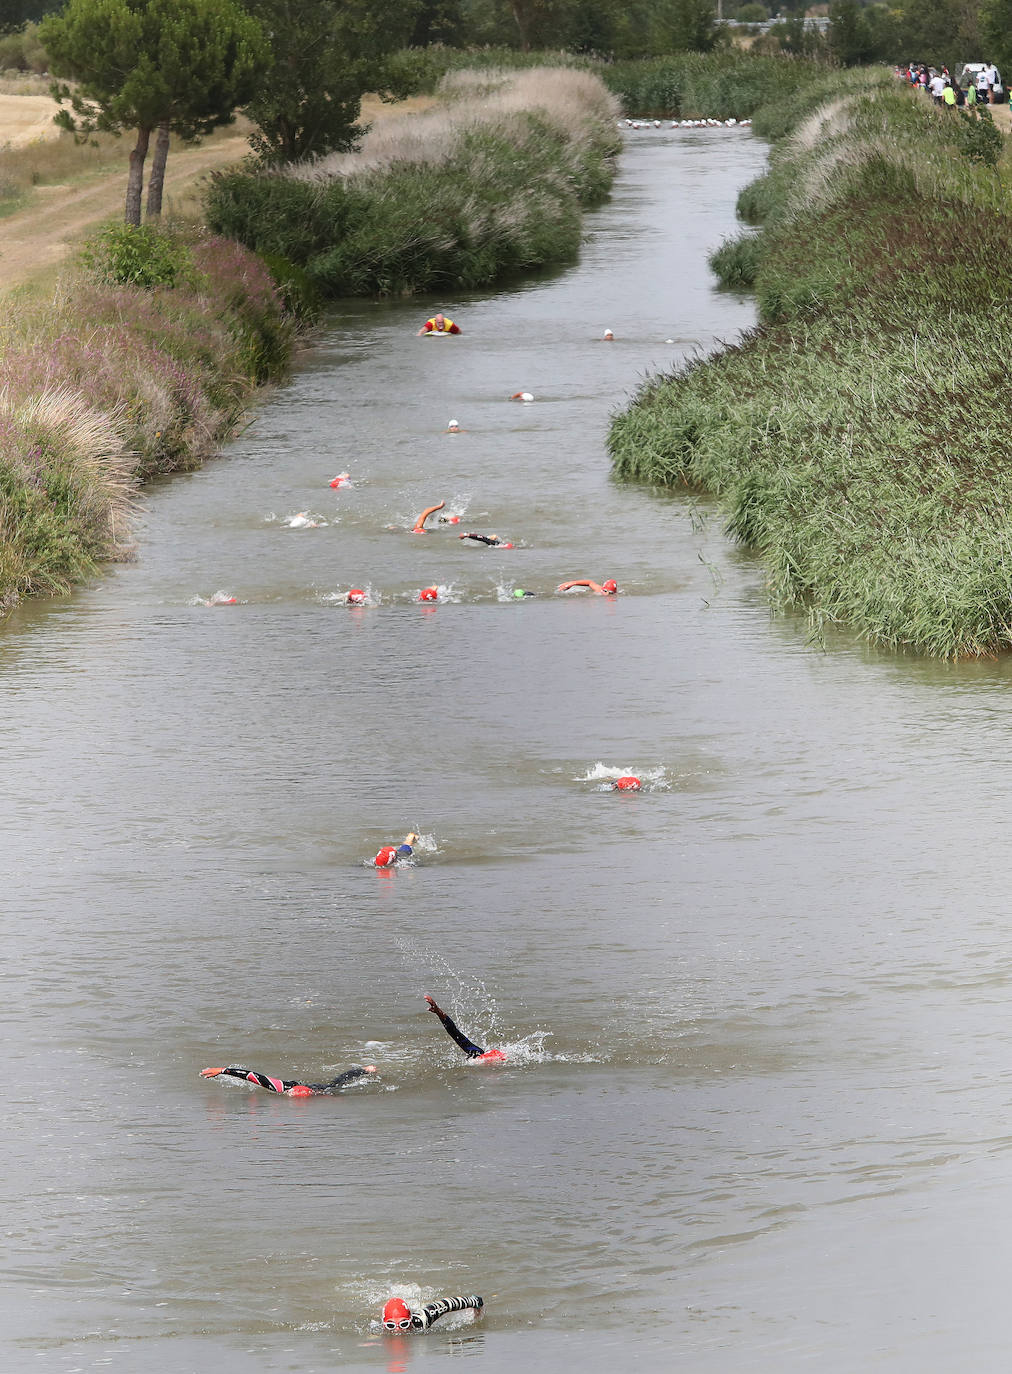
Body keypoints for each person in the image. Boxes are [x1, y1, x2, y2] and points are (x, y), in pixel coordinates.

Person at [200, 1063, 376, 1097]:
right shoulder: (283, 1088)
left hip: (320, 1089)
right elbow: (252, 1076)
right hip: (299, 1086)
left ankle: (363, 1070)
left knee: (337, 1084)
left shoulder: (322, 1093)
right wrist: (223, 1070)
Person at [425, 995, 506, 1062]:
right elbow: (455, 1034)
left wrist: (438, 1012)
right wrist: (439, 1012)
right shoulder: (478, 1055)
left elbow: (455, 1033)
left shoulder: (479, 1057)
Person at [382, 1295, 483, 1332]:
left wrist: (474, 1302)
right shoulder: (381, 1329)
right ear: (384, 1325)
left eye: (404, 1324)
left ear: (410, 1321)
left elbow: (447, 1305)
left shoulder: (422, 1320)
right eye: (391, 1326)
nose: (397, 1330)